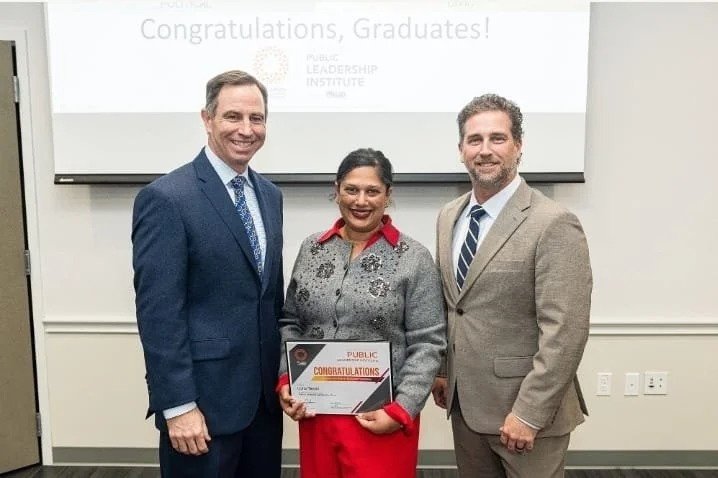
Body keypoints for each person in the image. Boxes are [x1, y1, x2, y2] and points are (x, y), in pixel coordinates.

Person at [131, 70, 284, 477]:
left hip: (264, 410)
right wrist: (177, 406)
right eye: (233, 116)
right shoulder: (166, 198)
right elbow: (158, 314)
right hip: (201, 411)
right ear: (207, 119)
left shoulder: (270, 196)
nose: (247, 130)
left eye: (257, 118)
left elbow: (268, 301)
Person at [432, 94, 592, 478]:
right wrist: (443, 370)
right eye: (475, 140)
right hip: (465, 408)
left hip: (526, 417)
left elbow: (565, 331)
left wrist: (529, 413)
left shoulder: (553, 222)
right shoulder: (449, 216)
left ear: (518, 146)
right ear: (461, 150)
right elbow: (453, 305)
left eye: (497, 139)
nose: (485, 150)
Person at [276, 148, 446, 478]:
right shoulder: (312, 248)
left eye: (372, 191)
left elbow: (428, 342)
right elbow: (291, 320)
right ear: (337, 189)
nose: (361, 201)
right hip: (316, 413)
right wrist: (287, 380)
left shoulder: (414, 258)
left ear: (388, 195)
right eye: (351, 189)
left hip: (381, 419)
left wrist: (401, 410)